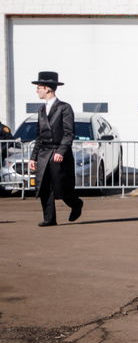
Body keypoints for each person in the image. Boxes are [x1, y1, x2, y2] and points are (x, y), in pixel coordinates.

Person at [28, 70, 83, 227]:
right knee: (43, 187)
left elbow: (69, 133)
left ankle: (76, 204)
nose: (37, 90)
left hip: (59, 153)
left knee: (63, 188)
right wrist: (33, 157)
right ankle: (49, 219)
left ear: (47, 88)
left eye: (39, 87)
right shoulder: (40, 109)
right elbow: (39, 136)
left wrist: (60, 151)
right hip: (44, 153)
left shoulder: (65, 108)